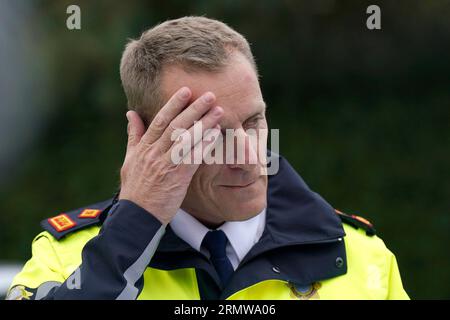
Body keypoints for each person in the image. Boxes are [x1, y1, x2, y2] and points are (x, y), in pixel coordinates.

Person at [7, 16, 408, 300]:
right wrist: (131, 231)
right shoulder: (67, 258)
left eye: (254, 121)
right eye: (211, 136)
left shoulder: (362, 256)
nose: (249, 157)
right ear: (145, 140)